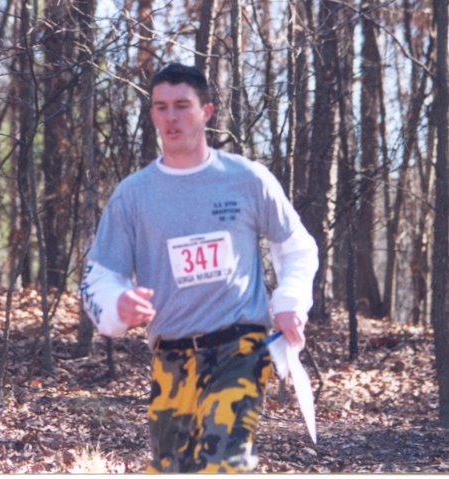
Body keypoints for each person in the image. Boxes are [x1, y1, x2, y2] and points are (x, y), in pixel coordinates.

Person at [80, 62, 318, 473]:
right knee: (173, 470)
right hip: (171, 357)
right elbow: (98, 274)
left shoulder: (246, 179)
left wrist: (290, 300)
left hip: (239, 348)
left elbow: (297, 247)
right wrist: (119, 306)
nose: (171, 117)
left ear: (206, 112)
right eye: (161, 107)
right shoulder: (134, 195)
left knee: (223, 462)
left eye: (182, 106)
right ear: (152, 114)